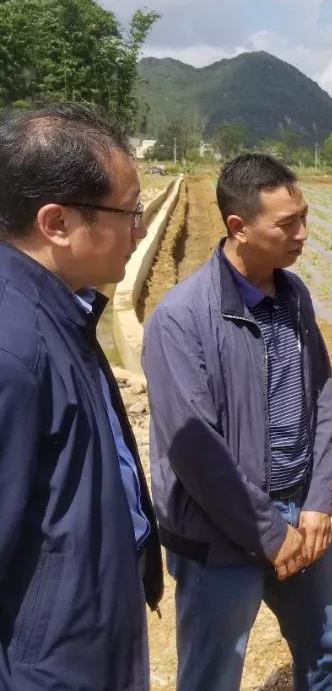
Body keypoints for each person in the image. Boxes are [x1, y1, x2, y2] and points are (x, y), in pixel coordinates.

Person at [143, 153, 332, 691]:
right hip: (219, 530)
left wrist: (318, 500)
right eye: (287, 223)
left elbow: (319, 395)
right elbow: (196, 452)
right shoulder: (180, 319)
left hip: (300, 512)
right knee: (213, 674)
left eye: (304, 216)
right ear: (239, 227)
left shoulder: (294, 295)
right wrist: (266, 533)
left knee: (327, 652)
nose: (303, 234)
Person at [0, 104, 162, 690]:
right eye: (129, 211)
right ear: (57, 223)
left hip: (85, 639)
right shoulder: (13, 348)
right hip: (52, 668)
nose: (139, 229)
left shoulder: (60, 308)